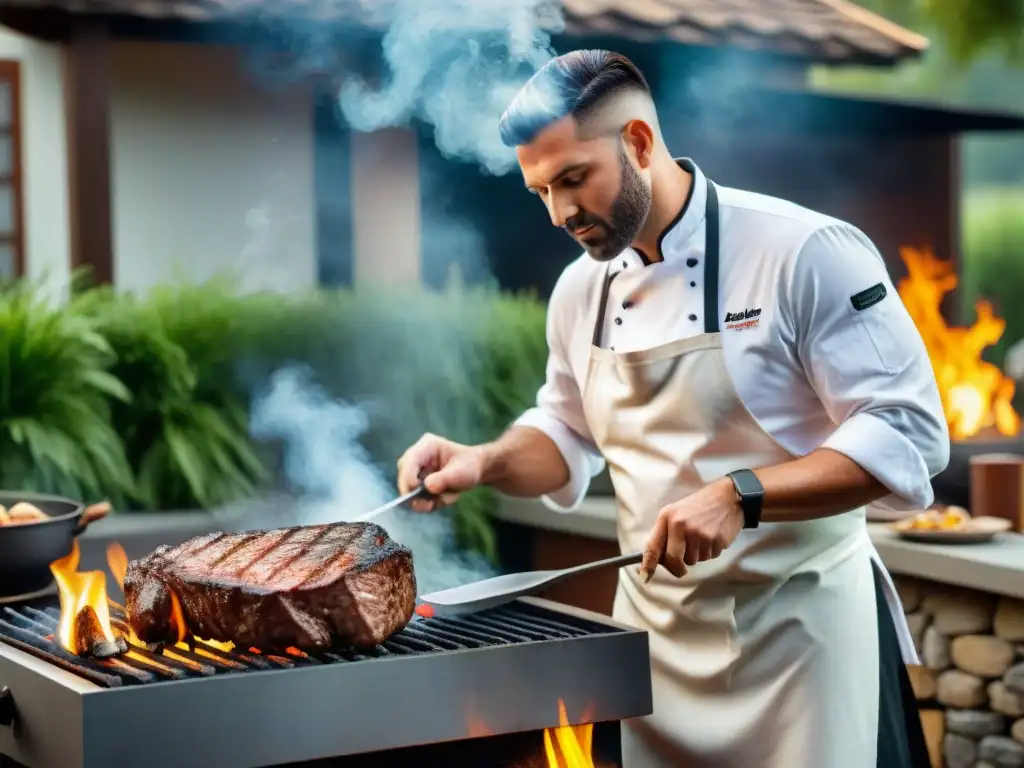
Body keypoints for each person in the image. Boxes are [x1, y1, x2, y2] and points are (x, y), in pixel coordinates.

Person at [397, 50, 948, 768]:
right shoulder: (578, 291)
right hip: (656, 652)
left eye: (573, 179)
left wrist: (740, 494)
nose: (561, 213)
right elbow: (566, 431)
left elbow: (907, 432)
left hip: (802, 645)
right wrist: (483, 462)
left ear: (638, 142)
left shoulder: (804, 250)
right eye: (540, 192)